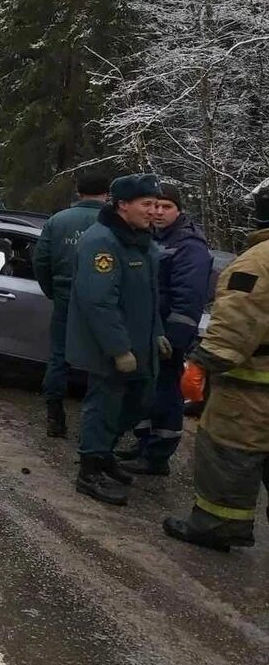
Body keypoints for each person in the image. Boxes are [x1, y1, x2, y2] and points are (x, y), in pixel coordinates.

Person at [163, 178, 269, 551]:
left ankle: (216, 526)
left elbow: (237, 322)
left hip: (251, 389)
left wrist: (202, 363)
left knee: (229, 452)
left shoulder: (258, 261)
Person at [67, 173, 168, 506]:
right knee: (105, 405)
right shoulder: (103, 241)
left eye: (156, 204)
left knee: (139, 401)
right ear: (123, 205)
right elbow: (98, 302)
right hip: (112, 349)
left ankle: (105, 453)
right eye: (146, 204)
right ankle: (90, 469)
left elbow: (147, 298)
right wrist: (118, 349)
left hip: (140, 345)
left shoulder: (141, 240)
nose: (154, 210)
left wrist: (157, 334)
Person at [118, 184, 212, 475]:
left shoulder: (189, 246)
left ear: (178, 210)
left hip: (169, 335)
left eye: (166, 207)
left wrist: (174, 338)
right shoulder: (152, 239)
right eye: (154, 205)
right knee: (147, 391)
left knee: (165, 394)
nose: (158, 212)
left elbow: (189, 297)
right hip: (149, 331)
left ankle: (158, 455)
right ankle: (145, 442)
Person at [33, 170, 110, 438]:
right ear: (107, 193)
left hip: (66, 295)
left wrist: (52, 289)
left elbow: (40, 260)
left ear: (78, 192)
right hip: (103, 300)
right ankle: (94, 425)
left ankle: (55, 416)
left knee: (58, 358)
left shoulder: (58, 221)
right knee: (101, 361)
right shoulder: (112, 223)